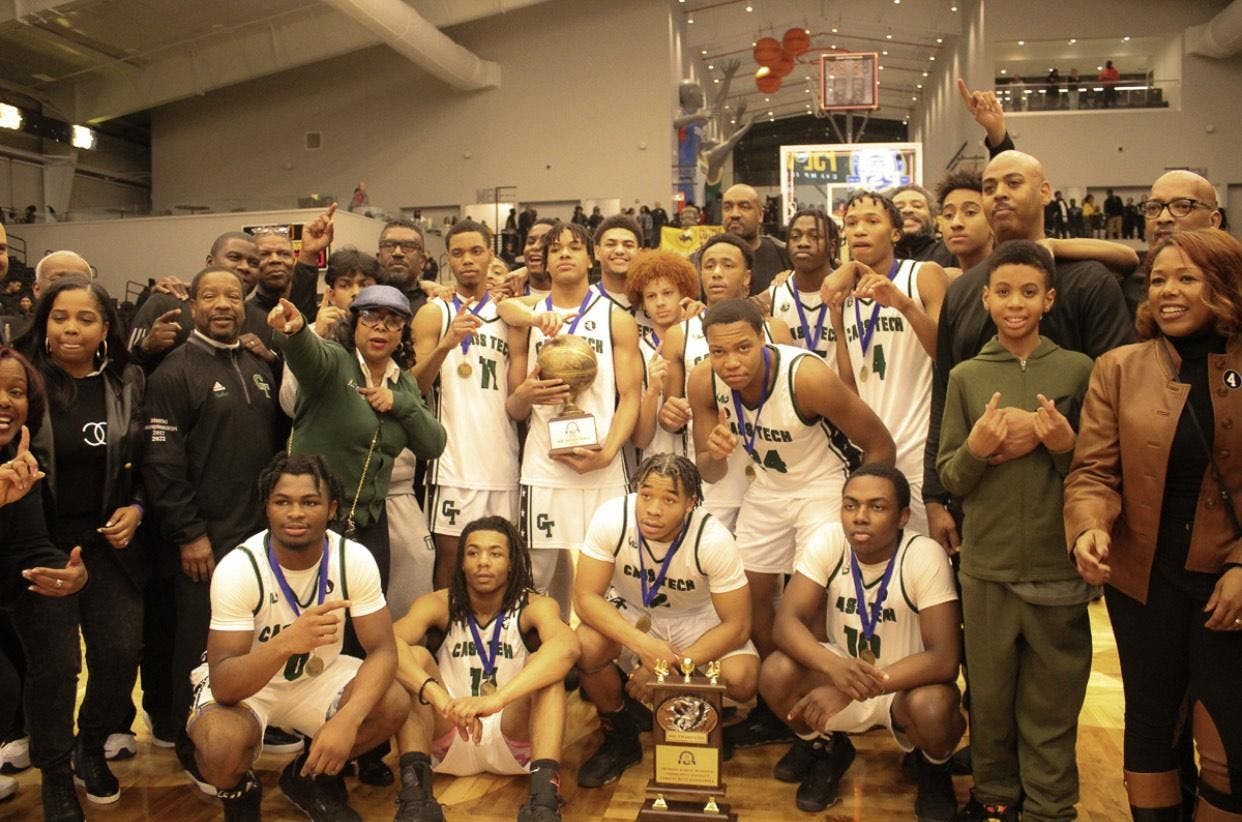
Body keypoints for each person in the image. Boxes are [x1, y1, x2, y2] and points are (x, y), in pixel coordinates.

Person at [1065, 228, 1242, 822]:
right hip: (1144, 579)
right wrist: (1089, 526)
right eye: (1158, 279)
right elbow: (1092, 471)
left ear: (1224, 286)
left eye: (1186, 279)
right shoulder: (1118, 368)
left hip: (1229, 585)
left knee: (1226, 742)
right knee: (1149, 725)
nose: (1167, 292)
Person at [686, 298, 895, 749]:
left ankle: (820, 712)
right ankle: (776, 704)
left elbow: (879, 443)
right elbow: (709, 472)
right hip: (767, 488)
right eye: (719, 351)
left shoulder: (807, 376)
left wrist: (865, 509)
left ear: (763, 337)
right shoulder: (703, 380)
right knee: (749, 597)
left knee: (810, 603)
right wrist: (712, 453)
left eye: (742, 347)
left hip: (823, 486)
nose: (731, 362)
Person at [937, 240, 1095, 822]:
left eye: (1030, 292)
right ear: (984, 297)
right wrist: (977, 451)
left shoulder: (1079, 370)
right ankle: (995, 797)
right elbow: (952, 473)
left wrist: (1063, 445)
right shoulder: (967, 376)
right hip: (985, 570)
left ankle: (1052, 807)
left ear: (1049, 299)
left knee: (1053, 700)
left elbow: (1095, 474)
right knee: (993, 700)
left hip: (1057, 567)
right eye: (1003, 291)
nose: (1015, 303)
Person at [921, 150, 1132, 557]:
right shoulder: (965, 292)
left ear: (1046, 193)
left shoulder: (1090, 282)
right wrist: (934, 497)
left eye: (1013, 183)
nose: (999, 194)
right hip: (982, 512)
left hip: (1069, 504)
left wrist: (1043, 428)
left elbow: (1118, 397)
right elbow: (944, 395)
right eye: (989, 187)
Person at [185, 453, 409, 821]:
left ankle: (307, 777)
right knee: (219, 746)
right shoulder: (239, 568)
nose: (296, 513)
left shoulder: (353, 558)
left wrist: (347, 719)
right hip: (248, 686)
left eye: (309, 502)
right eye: (283, 502)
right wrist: (289, 641)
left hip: (317, 676)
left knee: (394, 703)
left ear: (332, 508)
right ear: (267, 508)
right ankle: (239, 793)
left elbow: (383, 650)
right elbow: (224, 682)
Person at [141, 265, 280, 789]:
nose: (223, 304)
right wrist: (188, 532)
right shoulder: (175, 371)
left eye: (232, 296)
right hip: (205, 539)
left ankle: (241, 729)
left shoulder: (259, 363)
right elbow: (162, 462)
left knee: (247, 641)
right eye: (209, 296)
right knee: (195, 646)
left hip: (255, 538)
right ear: (192, 306)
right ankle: (188, 743)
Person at [759, 466, 962, 818]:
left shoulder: (924, 555)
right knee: (775, 671)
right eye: (850, 506)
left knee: (936, 707)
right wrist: (834, 669)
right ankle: (825, 749)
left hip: (903, 686)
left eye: (877, 507)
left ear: (902, 517)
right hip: (841, 670)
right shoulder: (829, 540)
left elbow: (944, 658)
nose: (860, 518)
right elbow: (786, 623)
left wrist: (851, 687)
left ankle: (932, 768)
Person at [23, 277, 146, 806]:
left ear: (105, 329)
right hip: (39, 545)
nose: (71, 328)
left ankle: (89, 745)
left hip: (106, 547)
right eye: (60, 317)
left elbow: (146, 461)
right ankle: (54, 775)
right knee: (56, 668)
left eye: (86, 319)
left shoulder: (128, 380)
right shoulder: (23, 383)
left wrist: (137, 507)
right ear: (44, 323)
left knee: (120, 652)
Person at [573, 454, 757, 787]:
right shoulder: (613, 517)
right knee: (586, 643)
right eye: (646, 495)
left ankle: (702, 719)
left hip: (698, 621)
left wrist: (665, 666)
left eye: (669, 499)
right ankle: (619, 732)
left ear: (691, 503)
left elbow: (738, 624)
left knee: (742, 680)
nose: (653, 509)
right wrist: (643, 646)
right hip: (634, 615)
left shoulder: (713, 538)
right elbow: (585, 598)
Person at [497, 222, 642, 618]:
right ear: (542, 261)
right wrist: (526, 394)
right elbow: (514, 408)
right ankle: (541, 666)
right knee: (535, 582)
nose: (564, 254)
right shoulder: (527, 317)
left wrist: (609, 453)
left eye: (574, 247)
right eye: (555, 249)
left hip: (603, 467)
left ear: (590, 256)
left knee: (617, 580)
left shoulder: (616, 317)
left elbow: (631, 396)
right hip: (546, 467)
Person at [391, 515, 577, 821]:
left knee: (546, 670)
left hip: (511, 735)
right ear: (461, 562)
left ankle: (543, 801)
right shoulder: (437, 603)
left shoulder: (535, 605)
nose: (483, 562)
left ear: (512, 562)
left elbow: (567, 647)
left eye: (495, 553)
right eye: (473, 553)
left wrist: (497, 699)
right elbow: (388, 645)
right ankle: (416, 799)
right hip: (449, 730)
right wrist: (439, 697)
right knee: (414, 657)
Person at [269, 285, 446, 596]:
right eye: (370, 316)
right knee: (314, 611)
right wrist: (295, 332)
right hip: (316, 516)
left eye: (393, 320)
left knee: (366, 610)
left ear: (402, 331)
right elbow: (308, 354)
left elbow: (433, 444)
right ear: (354, 325)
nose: (381, 326)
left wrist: (399, 403)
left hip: (370, 522)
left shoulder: (402, 381)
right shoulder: (335, 363)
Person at [0, 346, 90, 820]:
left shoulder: (28, 459)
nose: (4, 402)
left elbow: (35, 546)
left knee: (58, 655)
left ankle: (55, 772)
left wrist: (72, 575)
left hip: (15, 577)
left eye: (15, 392)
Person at [829, 192, 947, 535]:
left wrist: (904, 305)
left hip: (921, 451)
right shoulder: (845, 292)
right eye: (851, 224)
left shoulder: (922, 274)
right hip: (874, 452)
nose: (860, 231)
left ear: (896, 233)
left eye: (872, 221)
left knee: (930, 562)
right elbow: (848, 381)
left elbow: (946, 353)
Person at [658, 234, 793, 531]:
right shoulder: (679, 334)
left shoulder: (775, 330)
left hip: (771, 470)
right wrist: (671, 413)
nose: (716, 272)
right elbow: (670, 420)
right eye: (709, 265)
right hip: (713, 472)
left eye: (727, 265)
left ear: (747, 278)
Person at [411, 220, 519, 591]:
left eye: (476, 251)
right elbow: (414, 388)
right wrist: (445, 344)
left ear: (490, 254)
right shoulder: (435, 312)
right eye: (458, 253)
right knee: (451, 563)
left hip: (503, 459)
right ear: (447, 260)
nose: (468, 260)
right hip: (453, 463)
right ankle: (445, 643)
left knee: (504, 565)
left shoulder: (510, 315)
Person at [626, 250, 699, 458]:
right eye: (651, 296)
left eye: (667, 293)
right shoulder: (638, 351)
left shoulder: (701, 339)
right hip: (657, 461)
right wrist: (653, 391)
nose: (660, 302)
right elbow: (640, 440)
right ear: (643, 305)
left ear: (683, 294)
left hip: (699, 458)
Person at [764, 209, 842, 359]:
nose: (803, 243)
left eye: (814, 236)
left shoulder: (847, 290)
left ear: (832, 246)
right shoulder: (773, 295)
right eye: (795, 237)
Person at [717, 184, 789, 294]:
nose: (734, 214)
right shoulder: (700, 259)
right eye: (728, 207)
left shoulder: (785, 255)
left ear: (760, 215)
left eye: (744, 207)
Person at [891, 185, 956, 268]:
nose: (907, 210)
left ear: (933, 219)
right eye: (899, 207)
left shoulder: (952, 251)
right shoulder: (878, 258)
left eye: (917, 206)